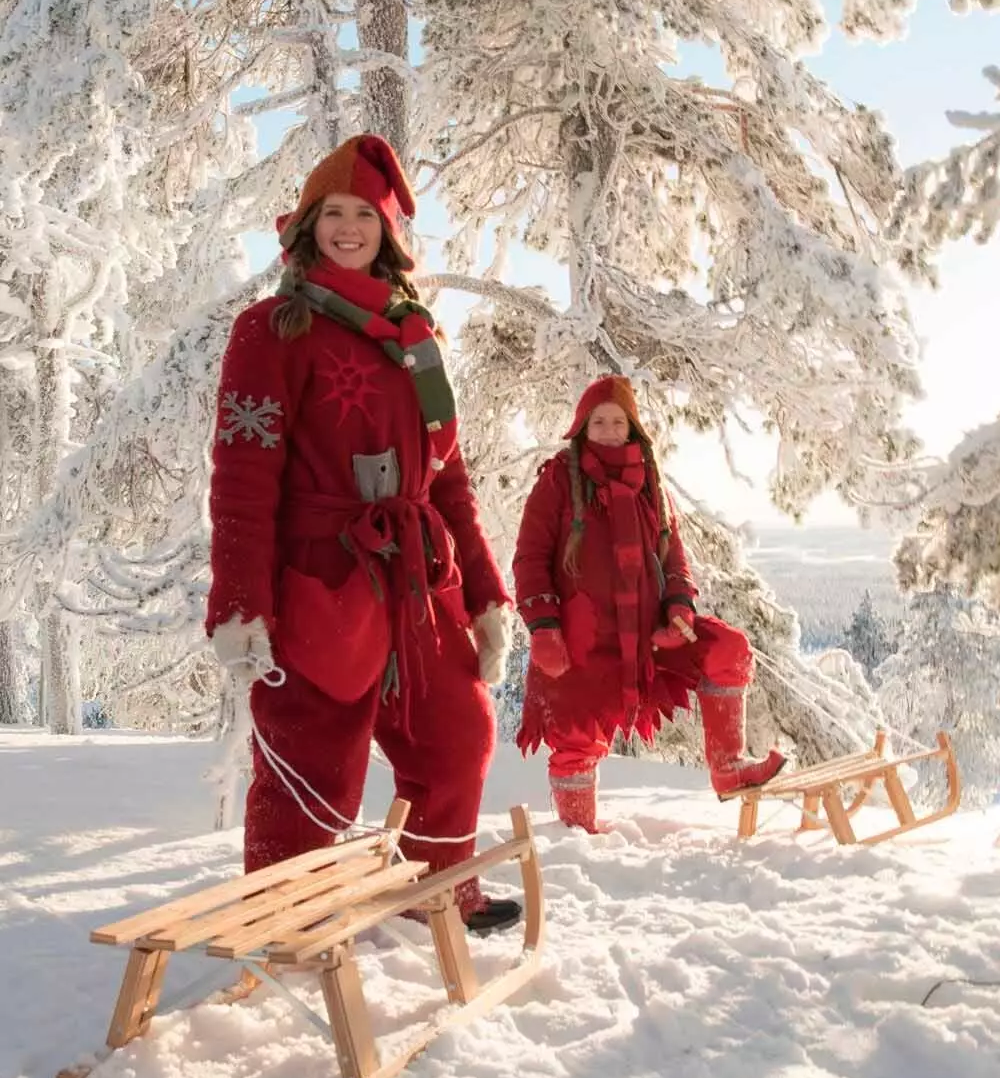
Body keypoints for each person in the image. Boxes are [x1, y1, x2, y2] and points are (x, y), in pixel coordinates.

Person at [206, 133, 520, 934]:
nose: (349, 227)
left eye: (365, 215)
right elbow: (244, 478)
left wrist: (485, 593)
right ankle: (286, 915)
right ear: (307, 226)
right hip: (320, 577)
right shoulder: (271, 330)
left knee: (459, 730)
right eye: (333, 213)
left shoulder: (418, 337)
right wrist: (241, 601)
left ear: (388, 231)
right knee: (316, 758)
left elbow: (447, 476)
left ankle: (438, 885)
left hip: (416, 582)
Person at [512, 375, 785, 832]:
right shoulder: (558, 479)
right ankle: (578, 837)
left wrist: (679, 607)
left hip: (648, 634)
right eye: (598, 421)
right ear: (582, 427)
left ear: (633, 427)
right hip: (582, 635)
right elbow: (530, 557)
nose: (608, 429)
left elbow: (674, 555)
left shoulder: (650, 481)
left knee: (727, 649)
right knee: (576, 736)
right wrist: (543, 625)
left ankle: (729, 767)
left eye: (618, 421)